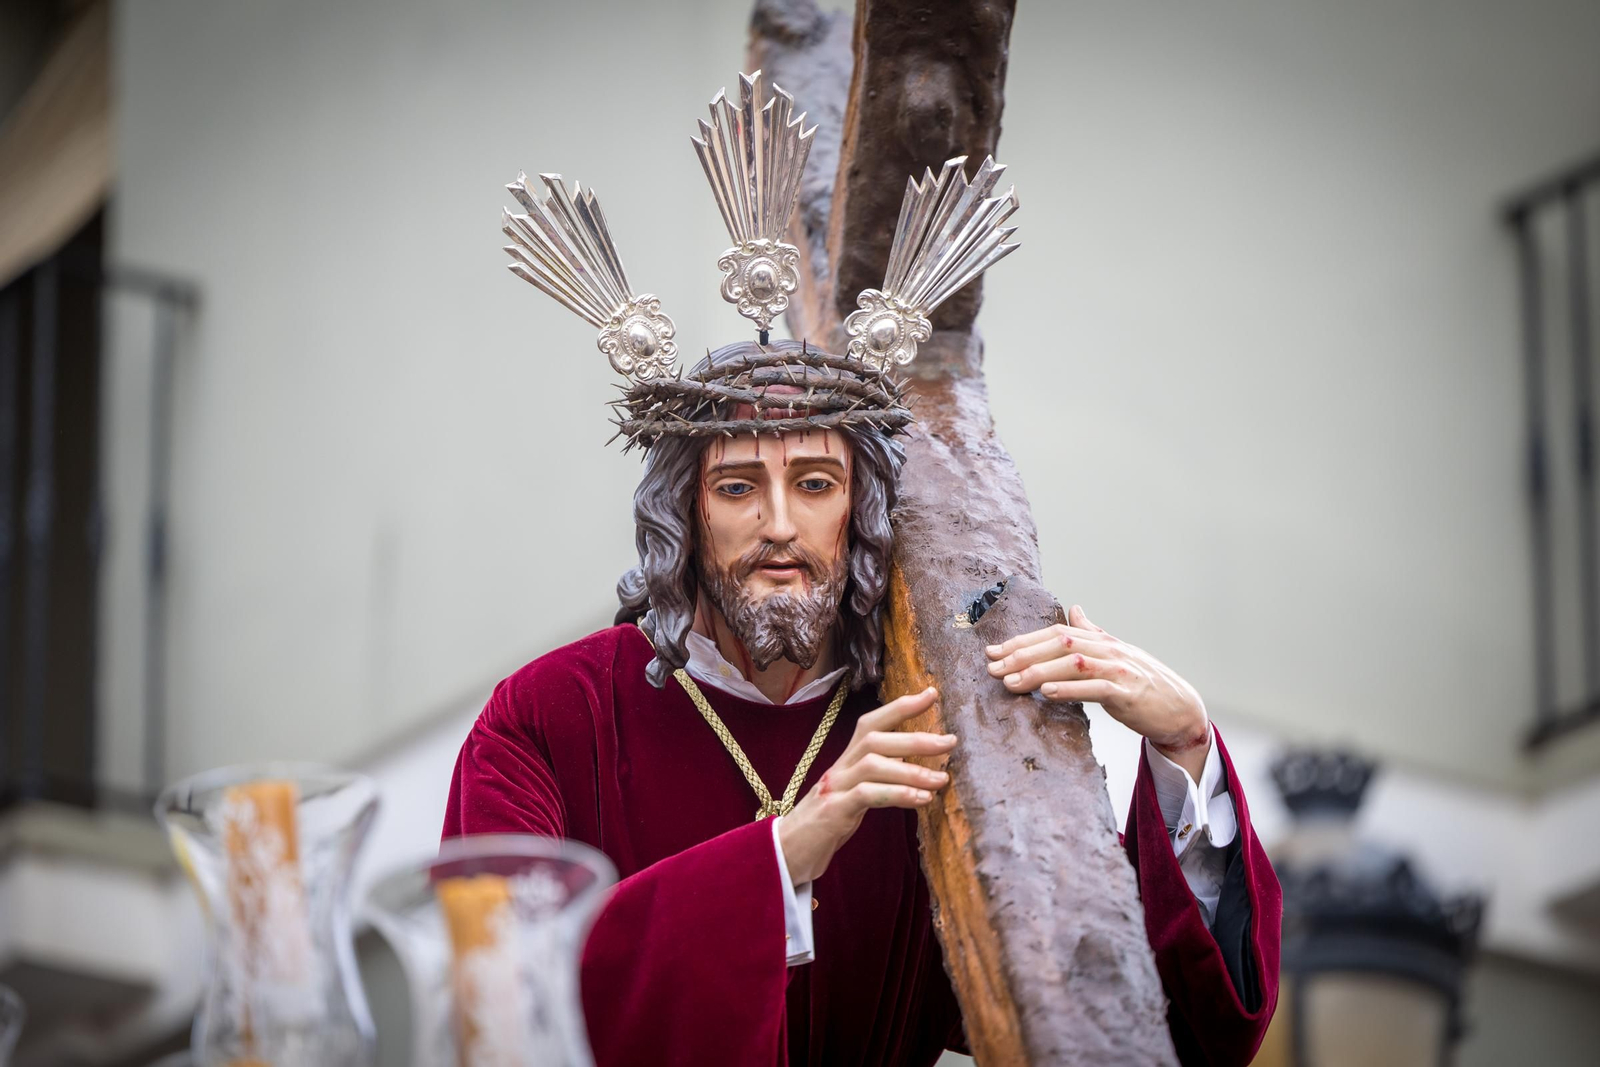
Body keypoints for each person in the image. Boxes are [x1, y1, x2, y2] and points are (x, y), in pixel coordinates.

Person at [446, 73, 1278, 1066]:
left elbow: (1159, 1031)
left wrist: (1187, 751)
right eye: (736, 488)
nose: (781, 526)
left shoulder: (940, 728)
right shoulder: (547, 717)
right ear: (682, 510)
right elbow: (498, 998)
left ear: (861, 508)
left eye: (814, 481)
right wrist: (787, 850)